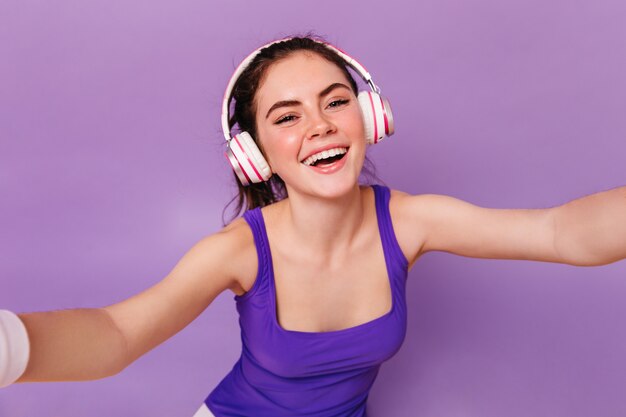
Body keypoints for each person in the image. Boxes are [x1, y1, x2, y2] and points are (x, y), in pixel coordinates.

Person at [1, 35, 625, 417]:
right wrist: (8, 345)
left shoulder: (408, 221)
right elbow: (115, 333)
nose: (321, 125)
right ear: (256, 154)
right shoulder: (239, 252)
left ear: (369, 116)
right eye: (287, 116)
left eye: (335, 101)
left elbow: (561, 233)